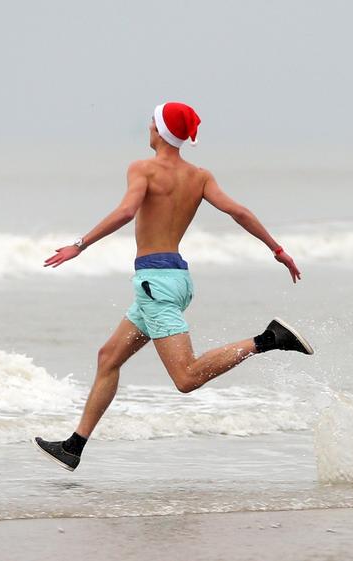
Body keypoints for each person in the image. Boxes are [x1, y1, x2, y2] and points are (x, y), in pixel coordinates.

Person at [33, 102, 315, 472]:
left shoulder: (142, 169)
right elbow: (239, 212)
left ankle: (269, 339)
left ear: (160, 131)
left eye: (152, 122)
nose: (148, 127)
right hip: (173, 281)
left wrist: (80, 245)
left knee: (186, 378)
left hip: (155, 284)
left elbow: (126, 211)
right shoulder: (199, 176)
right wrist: (277, 250)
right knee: (108, 358)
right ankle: (74, 446)